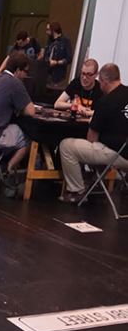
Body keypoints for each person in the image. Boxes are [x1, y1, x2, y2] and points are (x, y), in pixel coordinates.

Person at [59, 63, 128, 203]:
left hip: (118, 154)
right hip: (124, 152)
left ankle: (77, 191)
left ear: (103, 81)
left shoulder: (105, 101)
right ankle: (94, 180)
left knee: (66, 145)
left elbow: (92, 138)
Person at [0, 51, 36, 182]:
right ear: (18, 70)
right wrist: (21, 109)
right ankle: (8, 169)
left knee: (10, 129)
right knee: (30, 136)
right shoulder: (15, 83)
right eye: (25, 71)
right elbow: (31, 112)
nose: (26, 76)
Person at [41, 21, 72, 91]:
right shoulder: (49, 41)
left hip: (58, 76)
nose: (46, 32)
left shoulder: (65, 41)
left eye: (48, 30)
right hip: (46, 73)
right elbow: (45, 56)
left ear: (53, 30)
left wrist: (57, 62)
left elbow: (69, 58)